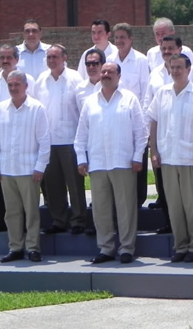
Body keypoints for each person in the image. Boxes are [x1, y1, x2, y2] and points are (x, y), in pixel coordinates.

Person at [75, 62, 147, 264]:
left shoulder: (129, 99)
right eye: (104, 71)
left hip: (122, 161)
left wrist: (137, 157)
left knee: (126, 209)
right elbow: (81, 135)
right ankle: (106, 248)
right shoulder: (90, 101)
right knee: (101, 210)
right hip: (97, 162)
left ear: (119, 75)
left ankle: (127, 248)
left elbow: (141, 133)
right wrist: (82, 159)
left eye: (110, 72)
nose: (106, 74)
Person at [148, 54, 193, 263]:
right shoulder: (162, 93)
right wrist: (154, 151)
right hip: (167, 158)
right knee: (174, 206)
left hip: (190, 158)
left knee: (192, 206)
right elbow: (154, 123)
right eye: (172, 67)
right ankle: (181, 245)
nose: (175, 71)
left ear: (188, 70)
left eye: (179, 68)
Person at [0, 70, 50, 263]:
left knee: (31, 212)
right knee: (11, 212)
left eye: (17, 85)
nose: (13, 88)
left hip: (29, 169)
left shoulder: (37, 108)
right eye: (10, 85)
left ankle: (32, 248)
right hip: (7, 169)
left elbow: (45, 140)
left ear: (26, 86)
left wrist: (40, 166)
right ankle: (15, 247)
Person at [144, 36, 193, 228]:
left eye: (170, 48)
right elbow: (150, 113)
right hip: (164, 147)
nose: (166, 52)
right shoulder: (156, 77)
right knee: (167, 192)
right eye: (163, 49)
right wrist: (152, 147)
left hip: (187, 148)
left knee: (189, 199)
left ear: (179, 49)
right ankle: (173, 229)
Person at [0, 45, 37, 234]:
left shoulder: (27, 79)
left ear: (17, 59)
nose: (5, 61)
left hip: (23, 139)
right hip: (1, 136)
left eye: (9, 57)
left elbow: (34, 106)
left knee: (22, 186)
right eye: (2, 57)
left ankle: (22, 226)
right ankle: (0, 221)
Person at [35, 44, 87, 235]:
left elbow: (83, 111)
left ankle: (79, 219)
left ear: (64, 58)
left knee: (74, 184)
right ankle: (59, 220)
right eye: (49, 57)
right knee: (53, 184)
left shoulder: (75, 79)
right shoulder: (41, 80)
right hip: (48, 141)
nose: (51, 60)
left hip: (70, 140)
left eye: (55, 57)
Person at [111, 23, 151, 209]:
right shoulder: (110, 60)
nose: (119, 41)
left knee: (138, 162)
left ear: (130, 39)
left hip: (136, 120)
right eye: (116, 37)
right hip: (116, 121)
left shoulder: (141, 60)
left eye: (122, 37)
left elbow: (145, 92)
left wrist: (142, 124)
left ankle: (138, 200)